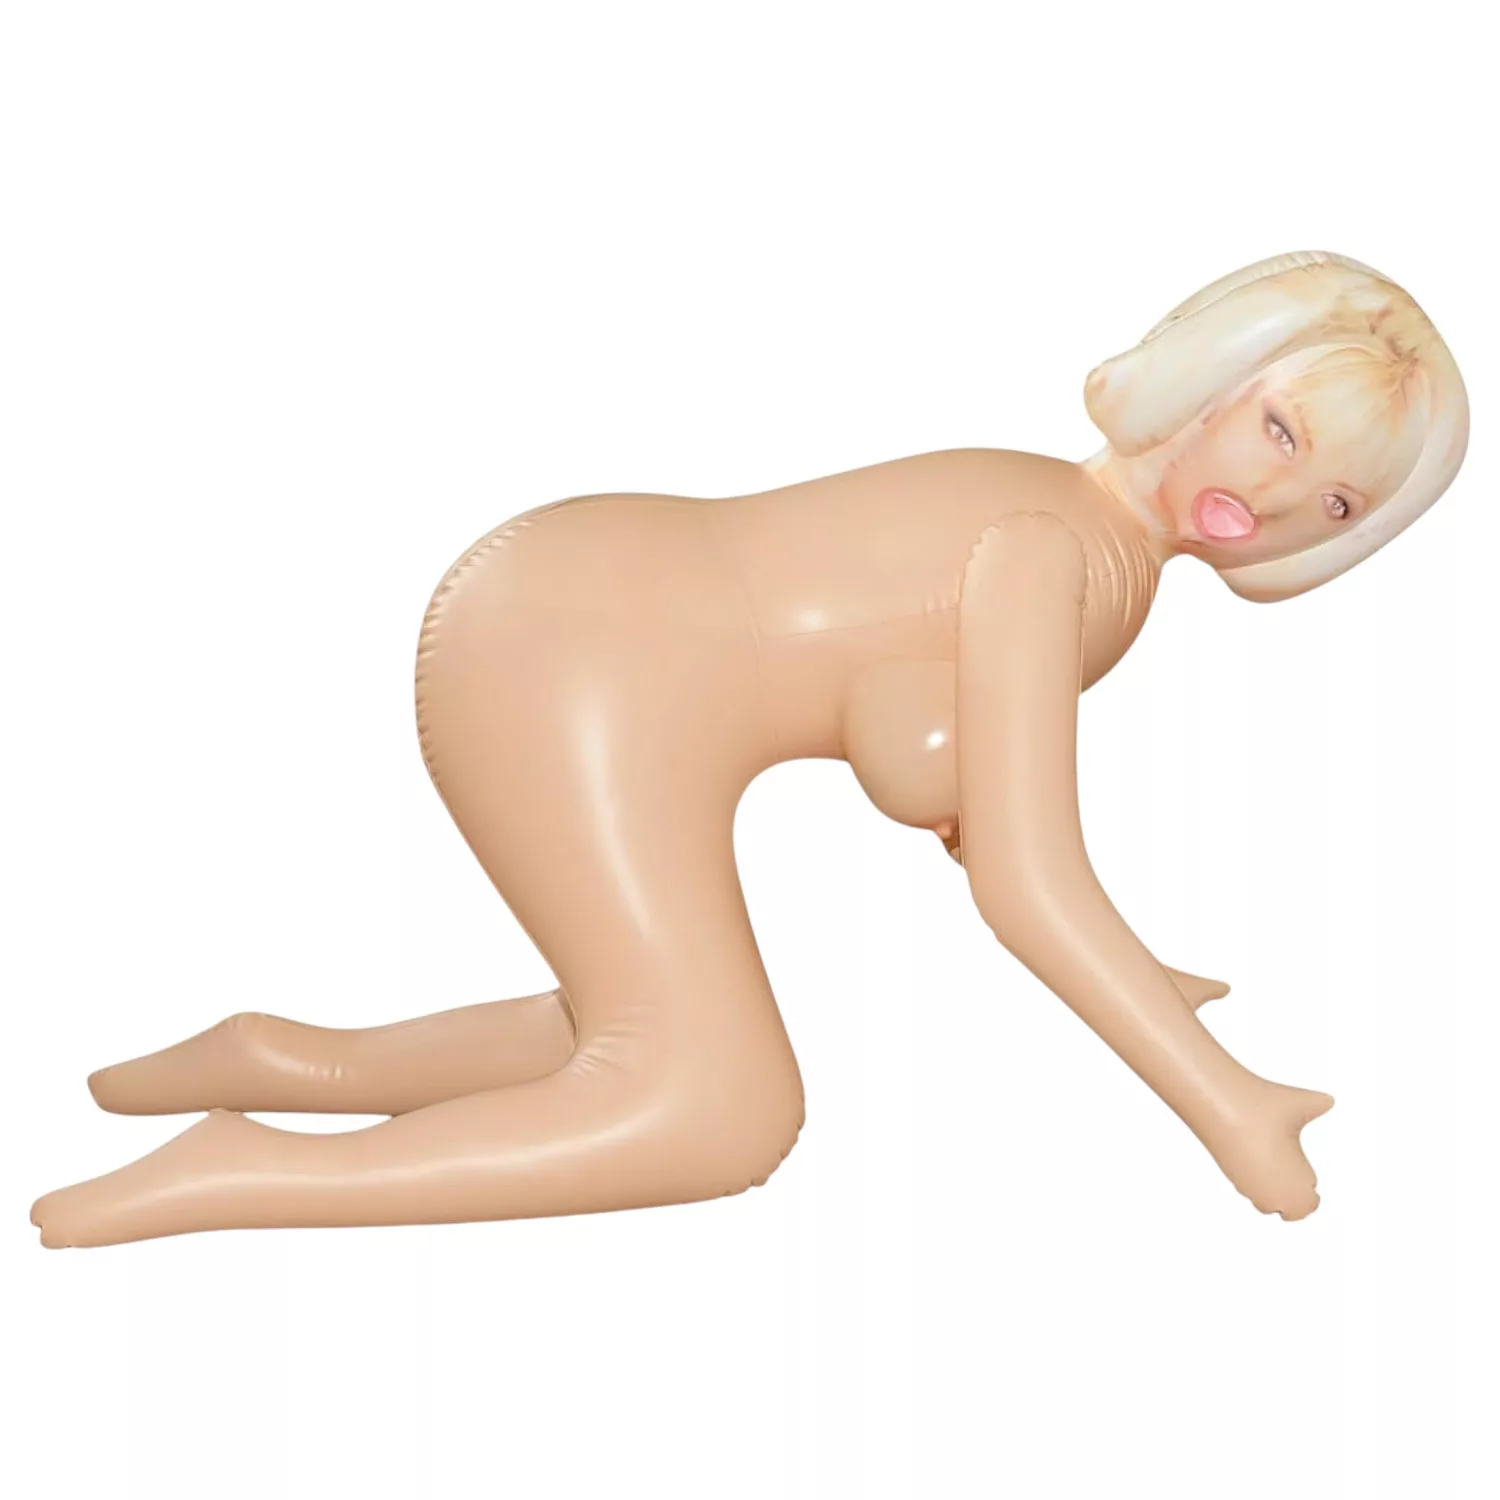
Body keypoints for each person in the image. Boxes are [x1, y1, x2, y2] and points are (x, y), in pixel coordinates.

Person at [32, 251, 1469, 1247]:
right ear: (1212, 384)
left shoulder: (1073, 539)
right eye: (1282, 430)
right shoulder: (1054, 548)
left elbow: (911, 740)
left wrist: (1121, 952)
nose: (1280, 498)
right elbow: (1027, 880)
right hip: (588, 656)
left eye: (1338, 505)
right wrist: (1227, 1103)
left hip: (576, 617)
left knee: (627, 1027)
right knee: (716, 1106)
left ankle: (286, 1063)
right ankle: (243, 1173)